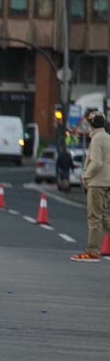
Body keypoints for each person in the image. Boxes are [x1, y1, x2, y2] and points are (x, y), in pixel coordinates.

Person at [74, 111, 110, 263]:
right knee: (102, 217)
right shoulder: (108, 138)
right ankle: (92, 250)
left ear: (90, 124)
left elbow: (96, 162)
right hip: (107, 181)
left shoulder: (96, 140)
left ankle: (92, 251)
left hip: (96, 182)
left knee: (94, 218)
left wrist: (85, 176)